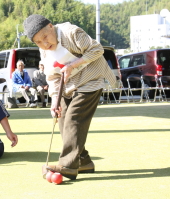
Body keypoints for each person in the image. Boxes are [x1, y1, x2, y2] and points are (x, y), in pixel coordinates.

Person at [23, 14, 116, 180]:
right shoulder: (44, 51)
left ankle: (67, 165)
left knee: (75, 119)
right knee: (64, 122)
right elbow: (52, 77)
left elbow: (97, 49)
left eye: (45, 37)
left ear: (51, 27)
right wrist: (54, 101)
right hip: (68, 86)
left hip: (90, 79)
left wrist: (73, 65)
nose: (45, 44)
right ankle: (83, 161)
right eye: (38, 42)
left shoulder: (71, 33)